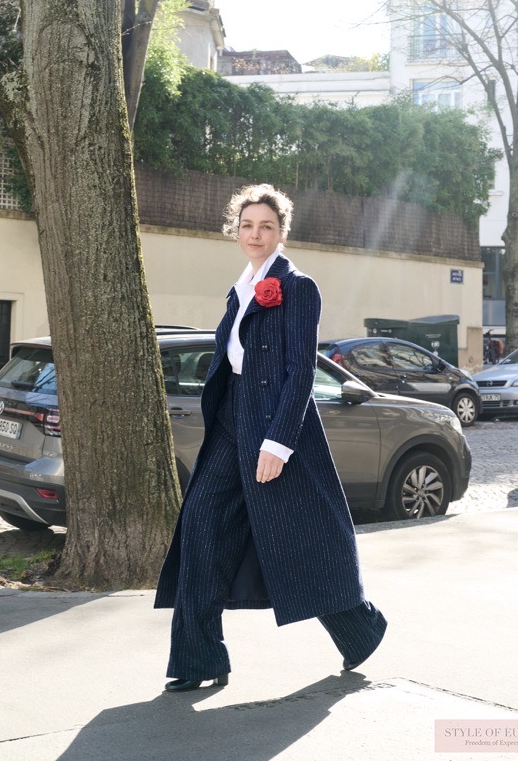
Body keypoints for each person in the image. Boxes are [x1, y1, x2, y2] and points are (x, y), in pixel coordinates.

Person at [154, 183, 386, 692]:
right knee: (199, 528)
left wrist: (278, 443)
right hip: (231, 420)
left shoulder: (298, 287)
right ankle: (199, 659)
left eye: (266, 226)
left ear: (282, 232)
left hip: (276, 424)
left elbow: (300, 372)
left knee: (302, 538)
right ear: (235, 231)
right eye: (246, 225)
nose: (255, 234)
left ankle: (360, 629)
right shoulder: (239, 290)